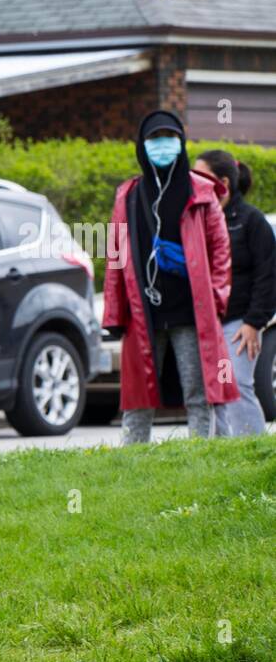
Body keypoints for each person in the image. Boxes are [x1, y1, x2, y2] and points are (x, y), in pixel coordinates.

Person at [103, 110, 237, 443]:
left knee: (199, 387)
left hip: (191, 311)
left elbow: (221, 253)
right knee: (138, 393)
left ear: (181, 142)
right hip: (143, 311)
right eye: (154, 139)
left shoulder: (202, 193)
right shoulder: (129, 195)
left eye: (169, 138)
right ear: (142, 145)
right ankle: (131, 460)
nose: (162, 145)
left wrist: (216, 299)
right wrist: (113, 313)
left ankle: (201, 453)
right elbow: (115, 257)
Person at [194, 149, 276, 436]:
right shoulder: (199, 218)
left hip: (239, 323)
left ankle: (253, 450)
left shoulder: (252, 222)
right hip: (207, 324)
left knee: (236, 383)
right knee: (213, 391)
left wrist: (254, 322)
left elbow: (268, 277)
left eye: (202, 176)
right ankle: (224, 454)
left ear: (224, 184)